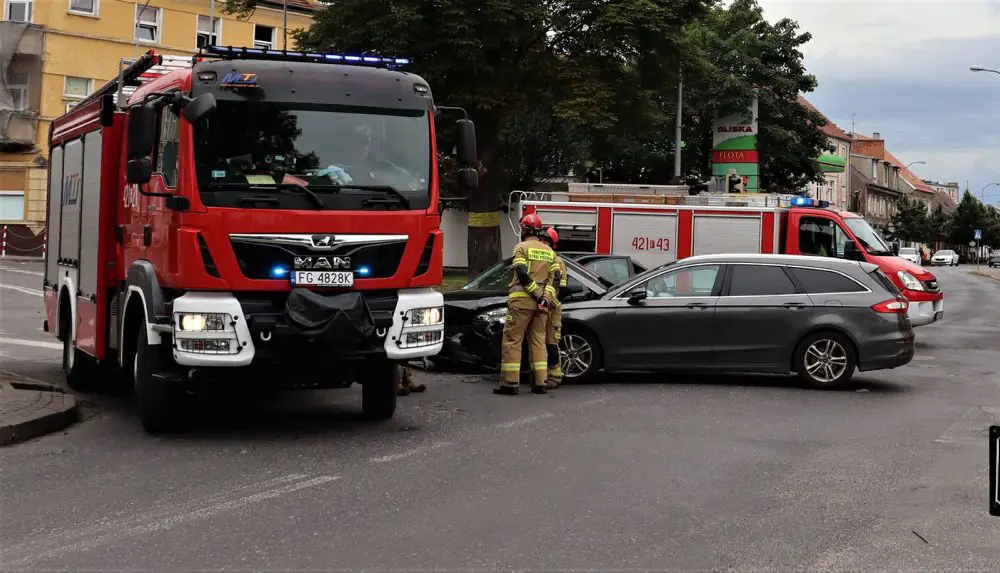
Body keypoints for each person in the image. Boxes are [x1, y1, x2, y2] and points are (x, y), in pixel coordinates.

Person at [495, 213, 557, 395]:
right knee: (538, 341)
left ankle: (509, 383)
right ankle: (540, 383)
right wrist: (545, 298)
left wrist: (536, 294)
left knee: (512, 340)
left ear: (525, 230)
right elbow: (555, 280)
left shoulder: (521, 247)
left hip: (521, 303)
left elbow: (522, 273)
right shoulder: (550, 252)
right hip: (542, 306)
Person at [539, 227, 566, 389]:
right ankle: (539, 376)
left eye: (546, 241)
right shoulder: (537, 258)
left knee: (551, 342)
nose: (542, 243)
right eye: (541, 240)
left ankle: (554, 377)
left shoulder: (558, 261)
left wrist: (546, 300)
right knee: (538, 343)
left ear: (552, 244)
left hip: (551, 308)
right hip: (538, 306)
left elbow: (559, 289)